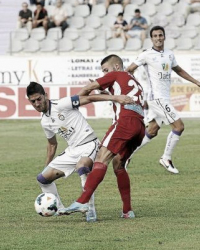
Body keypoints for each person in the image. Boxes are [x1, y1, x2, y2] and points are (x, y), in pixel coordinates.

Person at [27, 81, 135, 222]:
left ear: (45, 95)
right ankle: (59, 209)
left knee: (82, 167)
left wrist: (116, 98)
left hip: (89, 144)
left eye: (38, 99)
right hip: (72, 150)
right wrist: (47, 166)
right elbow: (52, 144)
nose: (36, 104)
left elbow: (89, 98)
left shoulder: (62, 104)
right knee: (42, 179)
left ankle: (90, 211)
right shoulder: (45, 122)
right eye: (33, 101)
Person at [59, 54, 146, 219]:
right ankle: (127, 211)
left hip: (125, 121)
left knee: (101, 157)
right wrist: (107, 91)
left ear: (117, 67)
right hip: (140, 126)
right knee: (118, 164)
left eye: (106, 70)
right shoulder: (133, 80)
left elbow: (87, 89)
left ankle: (82, 201)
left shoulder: (116, 75)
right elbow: (123, 96)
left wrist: (73, 105)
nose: (105, 74)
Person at [125, 26, 200, 174]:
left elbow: (179, 70)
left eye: (160, 35)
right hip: (156, 98)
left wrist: (196, 82)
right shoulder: (146, 55)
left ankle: (126, 154)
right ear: (151, 39)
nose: (158, 38)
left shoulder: (169, 54)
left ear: (164, 37)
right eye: (155, 36)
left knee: (152, 130)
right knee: (179, 127)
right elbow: (129, 70)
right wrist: (134, 87)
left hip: (164, 98)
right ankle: (166, 158)